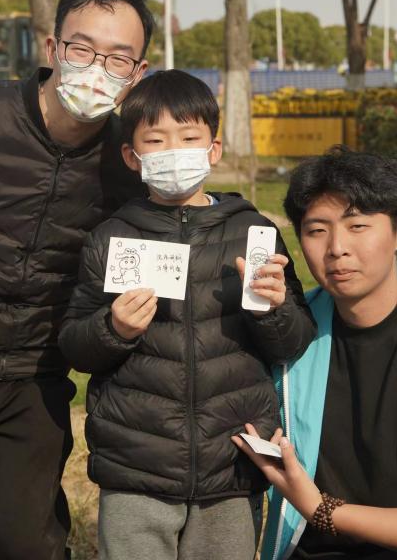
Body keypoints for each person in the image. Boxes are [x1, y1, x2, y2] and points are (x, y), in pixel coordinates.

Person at [58, 70, 316, 560]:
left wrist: (274, 309)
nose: (173, 151)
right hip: (136, 468)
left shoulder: (254, 233)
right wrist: (113, 329)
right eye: (155, 140)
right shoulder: (110, 238)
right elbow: (75, 346)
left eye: (188, 137)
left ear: (213, 149)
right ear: (132, 156)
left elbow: (293, 342)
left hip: (232, 463)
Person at [0, 0, 153, 560]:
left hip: (35, 381)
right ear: (53, 48)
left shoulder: (129, 164)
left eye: (118, 59)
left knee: (28, 545)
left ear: (137, 73)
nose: (97, 68)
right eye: (83, 49)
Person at [233, 146, 397, 560]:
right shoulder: (286, 339)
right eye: (317, 230)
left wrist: (324, 510)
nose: (337, 248)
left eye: (358, 226)